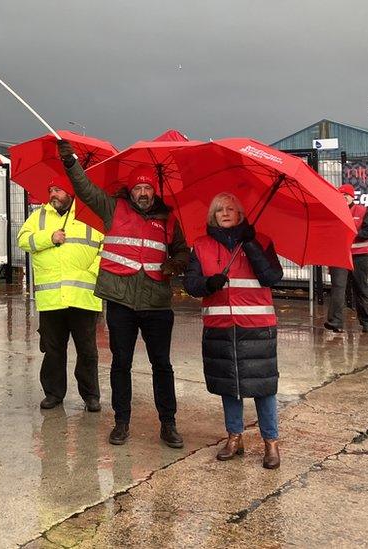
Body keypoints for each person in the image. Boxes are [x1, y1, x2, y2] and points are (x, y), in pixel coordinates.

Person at [58, 140, 190, 448]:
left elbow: (184, 252)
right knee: (121, 364)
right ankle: (121, 422)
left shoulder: (169, 219)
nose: (143, 194)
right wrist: (70, 163)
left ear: (153, 192)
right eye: (138, 189)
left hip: (157, 303)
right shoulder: (112, 208)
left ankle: (168, 424)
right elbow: (86, 189)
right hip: (120, 302)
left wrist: (176, 262)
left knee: (162, 365)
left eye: (147, 189)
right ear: (130, 192)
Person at [183, 192, 283, 469]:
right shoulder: (200, 246)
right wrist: (207, 284)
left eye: (231, 208)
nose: (225, 213)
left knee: (264, 387)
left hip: (257, 328)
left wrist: (250, 246)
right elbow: (189, 284)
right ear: (212, 216)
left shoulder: (260, 241)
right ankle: (234, 437)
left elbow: (273, 277)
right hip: (220, 328)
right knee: (229, 386)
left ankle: (270, 443)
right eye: (219, 210)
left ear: (240, 214)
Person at [17, 185, 104, 410]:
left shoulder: (91, 216)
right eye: (50, 190)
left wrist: (92, 272)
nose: (52, 194)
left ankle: (91, 395)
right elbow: (23, 240)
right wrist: (50, 237)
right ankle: (54, 393)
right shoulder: (38, 217)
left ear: (71, 193)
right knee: (53, 350)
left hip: (83, 296)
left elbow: (105, 246)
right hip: (52, 298)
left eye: (58, 190)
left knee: (87, 351)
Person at [325, 184, 368, 333]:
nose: (344, 198)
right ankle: (335, 322)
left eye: (346, 195)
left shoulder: (364, 210)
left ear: (352, 196)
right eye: (341, 195)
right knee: (338, 288)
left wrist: (351, 233)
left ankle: (366, 322)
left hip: (360, 256)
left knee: (361, 288)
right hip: (339, 255)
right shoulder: (333, 212)